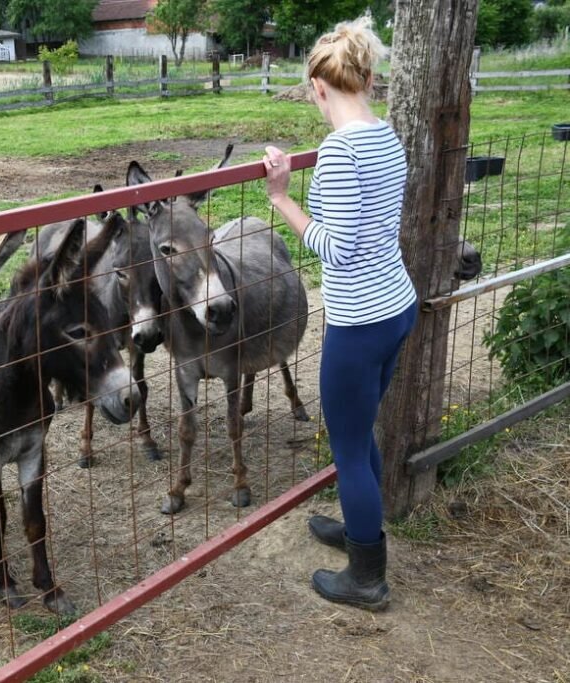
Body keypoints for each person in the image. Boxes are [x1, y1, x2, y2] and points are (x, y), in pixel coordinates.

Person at [262, 16, 417, 612]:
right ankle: (362, 529)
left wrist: (281, 198)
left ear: (320, 88)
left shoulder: (338, 151)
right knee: (360, 432)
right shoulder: (386, 136)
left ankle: (366, 577)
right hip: (395, 306)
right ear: (368, 79)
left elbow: (337, 247)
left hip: (359, 319)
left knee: (349, 449)